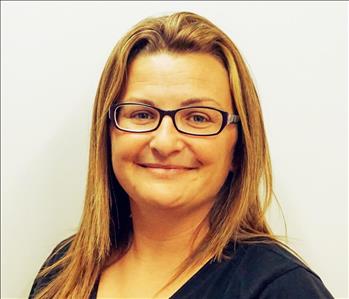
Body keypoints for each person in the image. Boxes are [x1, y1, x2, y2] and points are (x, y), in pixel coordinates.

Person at [29, 11, 334, 299]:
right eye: (142, 114)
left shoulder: (282, 288)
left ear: (239, 150)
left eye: (198, 117)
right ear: (107, 135)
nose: (164, 142)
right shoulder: (64, 270)